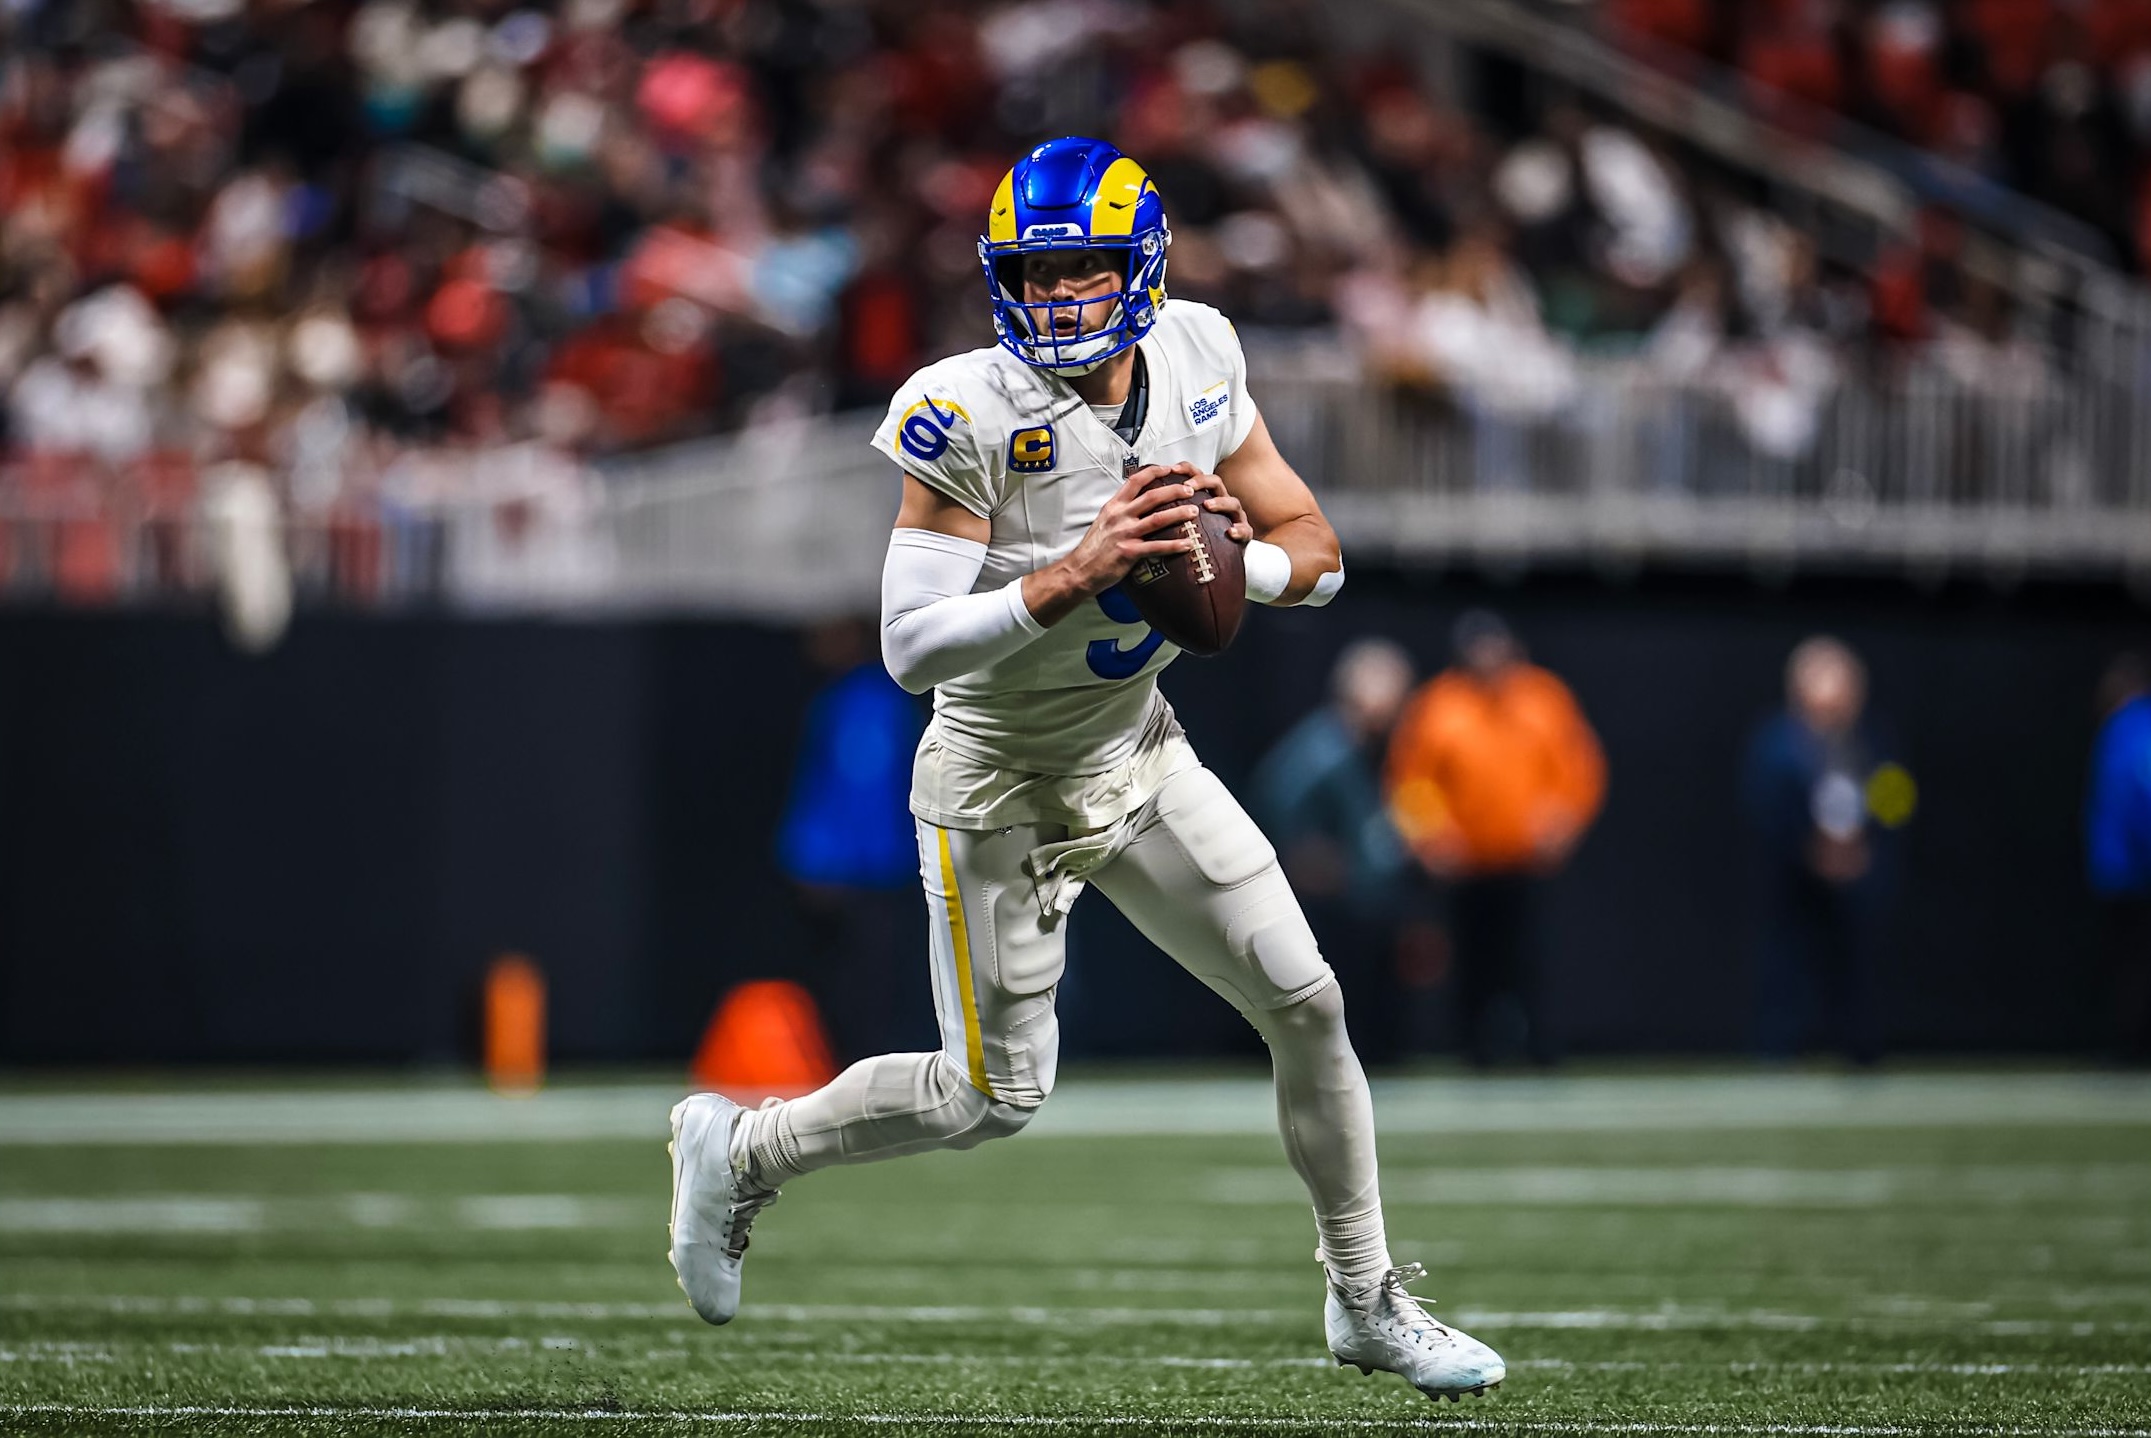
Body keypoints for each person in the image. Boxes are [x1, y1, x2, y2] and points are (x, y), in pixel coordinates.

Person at [665, 138, 1505, 1403]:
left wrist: (1232, 559)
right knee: (991, 1096)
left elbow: (1315, 547)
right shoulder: (969, 407)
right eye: (1037, 276)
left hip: (1138, 748)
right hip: (996, 777)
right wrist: (1074, 572)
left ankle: (1367, 1295)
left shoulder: (1201, 358)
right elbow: (907, 646)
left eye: (1087, 272)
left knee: (1310, 1002)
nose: (1060, 300)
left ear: (1145, 266)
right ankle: (739, 1148)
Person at [1384, 611, 1605, 1067]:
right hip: (1466, 863)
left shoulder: (1543, 698)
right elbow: (1411, 782)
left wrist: (1564, 820)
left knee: (1532, 957)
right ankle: (1475, 1048)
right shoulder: (1440, 704)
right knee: (1472, 960)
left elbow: (1579, 768)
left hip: (1528, 859)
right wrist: (1432, 839)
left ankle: (1541, 1045)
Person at [1741, 636, 1912, 1066]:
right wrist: (1810, 849)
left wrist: (1865, 845)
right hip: (1797, 874)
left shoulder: (1872, 740)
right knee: (1788, 965)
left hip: (1859, 871)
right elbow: (1766, 804)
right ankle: (1777, 1051)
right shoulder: (1779, 743)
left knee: (1858, 965)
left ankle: (1862, 1050)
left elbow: (1896, 799)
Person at [1250, 639, 1419, 1063]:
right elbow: (1279, 809)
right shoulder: (1324, 751)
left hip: (1366, 897)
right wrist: (1314, 861)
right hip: (1334, 904)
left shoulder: (1371, 751)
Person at [774, 618, 933, 1061]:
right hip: (845, 868)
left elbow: (870, 788)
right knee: (842, 978)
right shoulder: (836, 702)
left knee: (876, 977)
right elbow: (820, 785)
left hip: (875, 868)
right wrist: (806, 855)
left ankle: (871, 1060)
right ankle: (841, 1058)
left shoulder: (878, 703)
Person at [2085, 654, 2151, 1065]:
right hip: (2123, 868)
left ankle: (2133, 1047)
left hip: (2134, 869)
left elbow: (2139, 796)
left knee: (2135, 965)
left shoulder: (2132, 727)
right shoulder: (2124, 728)